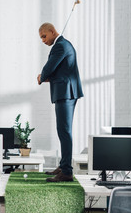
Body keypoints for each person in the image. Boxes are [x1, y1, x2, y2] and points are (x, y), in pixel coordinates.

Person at [37, 22, 83, 182]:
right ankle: (63, 166)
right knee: (63, 130)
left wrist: (41, 77)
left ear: (52, 31)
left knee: (64, 131)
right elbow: (61, 71)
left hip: (66, 93)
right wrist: (46, 77)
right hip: (67, 91)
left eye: (44, 36)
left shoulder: (60, 46)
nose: (43, 40)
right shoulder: (63, 45)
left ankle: (67, 172)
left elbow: (49, 68)